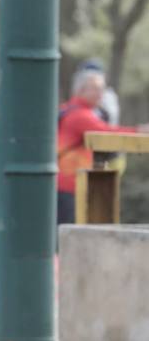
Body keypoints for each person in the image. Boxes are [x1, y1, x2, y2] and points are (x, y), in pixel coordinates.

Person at [56, 63, 148, 225]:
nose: (101, 94)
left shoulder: (67, 109)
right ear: (81, 90)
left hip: (65, 184)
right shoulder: (80, 115)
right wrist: (139, 131)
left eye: (102, 89)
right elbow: (107, 133)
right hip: (70, 185)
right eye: (96, 89)